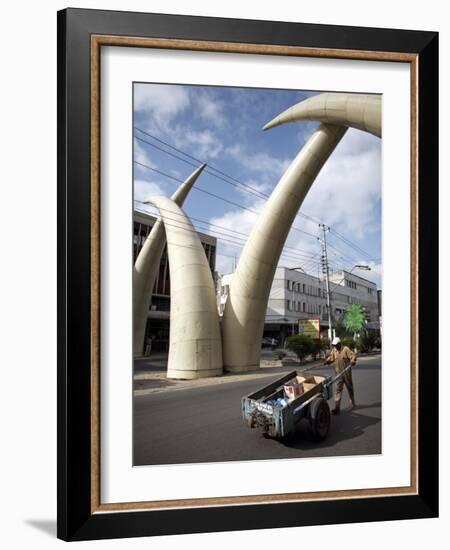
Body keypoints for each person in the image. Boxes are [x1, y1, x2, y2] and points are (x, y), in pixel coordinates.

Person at [324, 336, 357, 414]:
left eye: (336, 345)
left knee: (349, 387)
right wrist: (327, 361)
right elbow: (331, 358)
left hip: (346, 373)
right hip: (338, 374)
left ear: (339, 344)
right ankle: (337, 408)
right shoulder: (334, 350)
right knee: (338, 390)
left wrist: (352, 361)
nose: (335, 346)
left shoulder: (345, 349)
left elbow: (353, 356)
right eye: (334, 345)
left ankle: (352, 402)